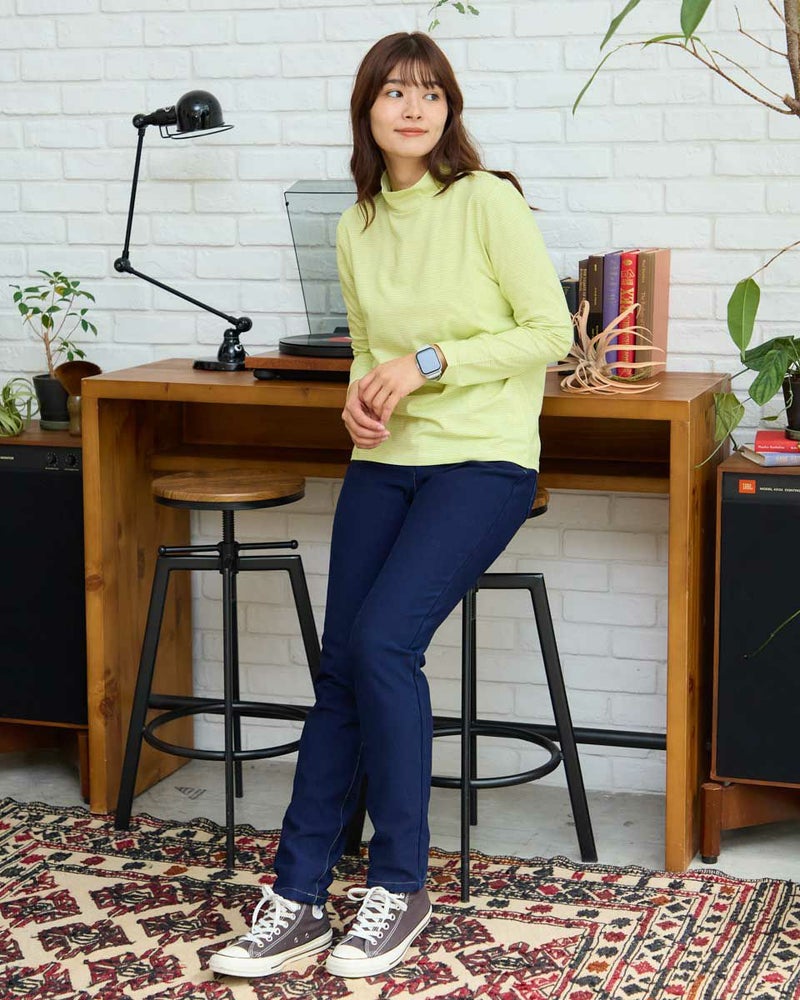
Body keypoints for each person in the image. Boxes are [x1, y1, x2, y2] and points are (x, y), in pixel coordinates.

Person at [209, 30, 572, 982]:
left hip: (482, 462)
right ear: (366, 109)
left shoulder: (486, 200)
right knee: (341, 667)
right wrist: (359, 397)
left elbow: (549, 332)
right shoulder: (357, 223)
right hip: (386, 462)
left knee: (380, 647)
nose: (414, 108)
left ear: (450, 110)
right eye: (395, 92)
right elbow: (371, 347)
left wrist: (429, 363)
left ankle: (400, 883)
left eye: (431, 92)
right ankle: (297, 896)